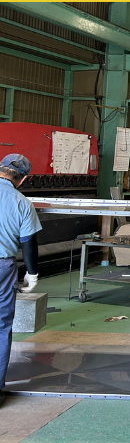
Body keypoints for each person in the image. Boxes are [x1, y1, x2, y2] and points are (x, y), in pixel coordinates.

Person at [0, 154, 40, 408]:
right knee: (1, 327)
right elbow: (28, 243)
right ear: (23, 179)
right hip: (2, 267)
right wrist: (32, 273)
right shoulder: (22, 202)